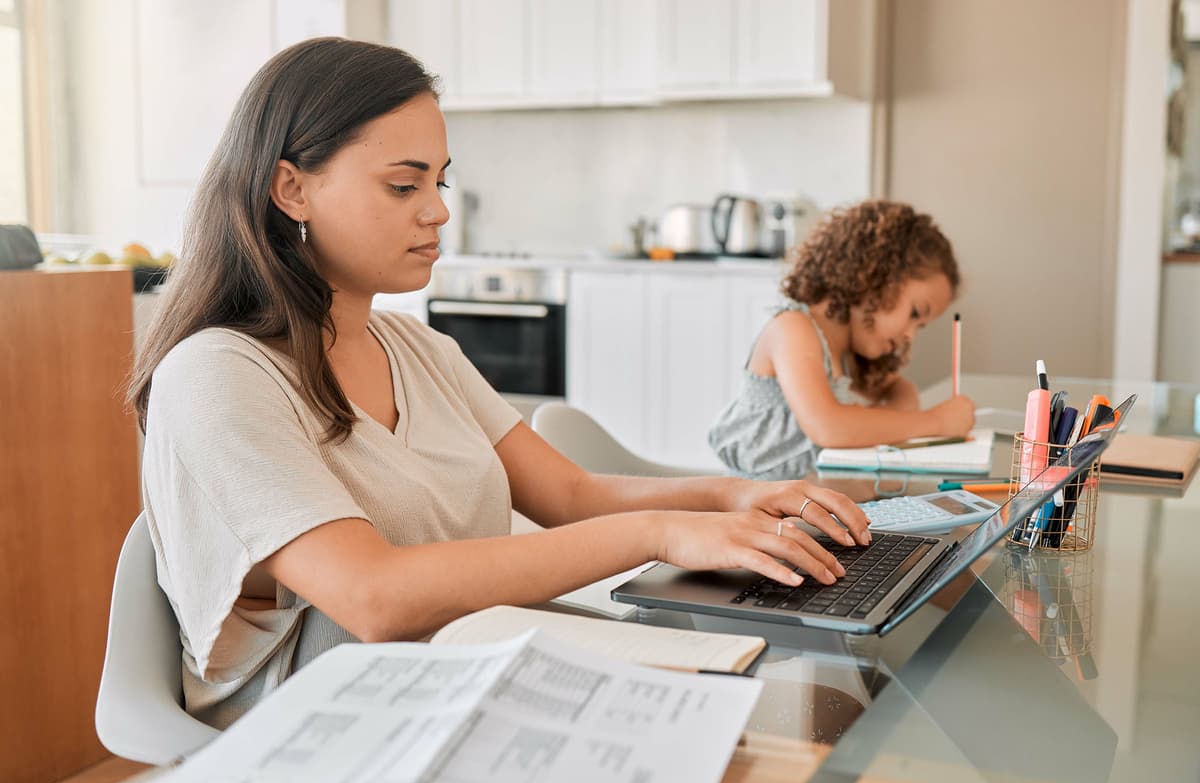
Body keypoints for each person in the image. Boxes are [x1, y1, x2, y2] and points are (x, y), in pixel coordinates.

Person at [127, 37, 870, 730]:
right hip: (336, 728)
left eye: (439, 180)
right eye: (402, 184)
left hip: (470, 677)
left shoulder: (419, 350)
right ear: (291, 189)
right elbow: (374, 598)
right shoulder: (217, 374)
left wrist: (726, 496)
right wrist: (660, 531)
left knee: (799, 706)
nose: (438, 209)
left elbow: (573, 499)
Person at [708, 200, 975, 480]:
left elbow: (898, 388)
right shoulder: (793, 329)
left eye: (920, 326)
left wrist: (904, 406)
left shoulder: (847, 355)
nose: (910, 334)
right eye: (914, 313)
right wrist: (935, 422)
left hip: (802, 508)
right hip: (746, 513)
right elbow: (828, 426)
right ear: (875, 276)